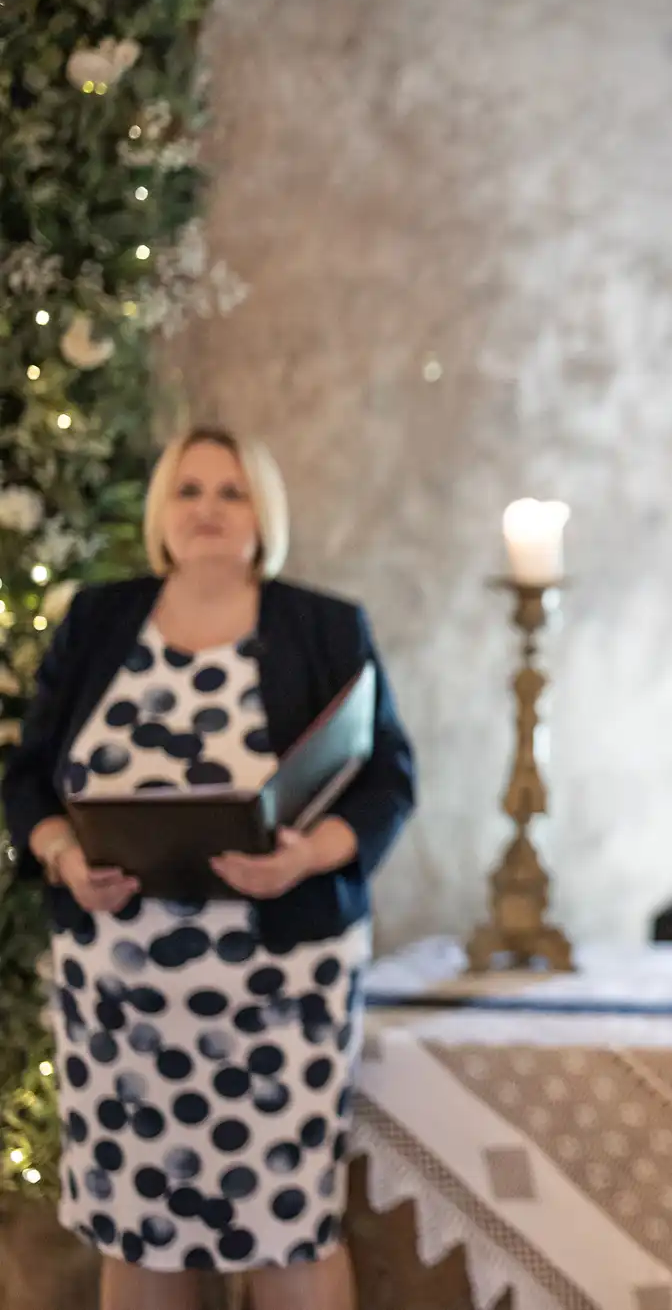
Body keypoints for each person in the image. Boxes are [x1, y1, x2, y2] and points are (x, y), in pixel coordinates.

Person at [2, 426, 417, 1310]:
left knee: (287, 1231)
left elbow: (387, 778)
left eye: (231, 492)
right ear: (162, 510)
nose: (208, 511)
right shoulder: (98, 620)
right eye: (189, 490)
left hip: (281, 987)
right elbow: (30, 775)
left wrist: (310, 854)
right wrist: (64, 854)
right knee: (141, 1234)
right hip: (120, 995)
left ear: (263, 514)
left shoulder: (325, 626)